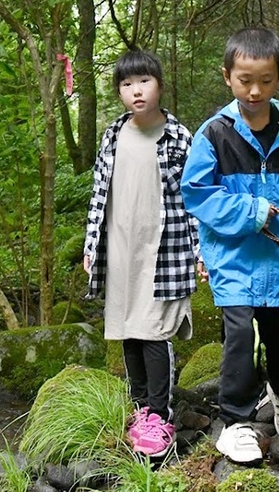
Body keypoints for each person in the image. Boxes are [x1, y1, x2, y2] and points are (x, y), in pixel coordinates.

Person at [180, 27, 279, 463]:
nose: (254, 90)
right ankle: (236, 422)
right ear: (227, 76)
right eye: (245, 79)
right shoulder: (213, 134)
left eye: (265, 80)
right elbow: (198, 194)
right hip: (231, 257)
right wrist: (253, 211)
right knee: (241, 335)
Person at [82, 49, 204, 458]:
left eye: (144, 82)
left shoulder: (180, 136)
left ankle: (160, 414)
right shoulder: (113, 134)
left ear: (160, 85)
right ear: (119, 91)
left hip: (164, 248)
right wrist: (91, 245)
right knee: (127, 329)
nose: (136, 91)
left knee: (154, 330)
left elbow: (195, 198)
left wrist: (200, 251)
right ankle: (139, 406)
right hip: (120, 248)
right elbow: (100, 192)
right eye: (127, 84)